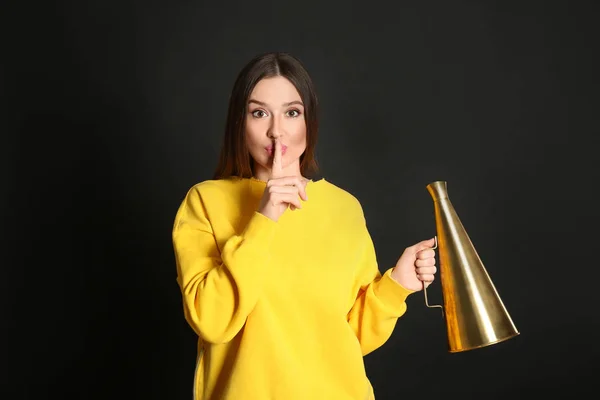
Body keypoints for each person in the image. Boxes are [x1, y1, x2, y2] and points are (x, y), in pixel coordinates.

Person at [172, 52, 438, 400]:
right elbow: (212, 321)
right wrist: (264, 219)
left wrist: (397, 285)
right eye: (259, 112)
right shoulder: (205, 202)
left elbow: (347, 340)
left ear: (309, 122)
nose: (276, 130)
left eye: (292, 112)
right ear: (240, 122)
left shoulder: (344, 208)